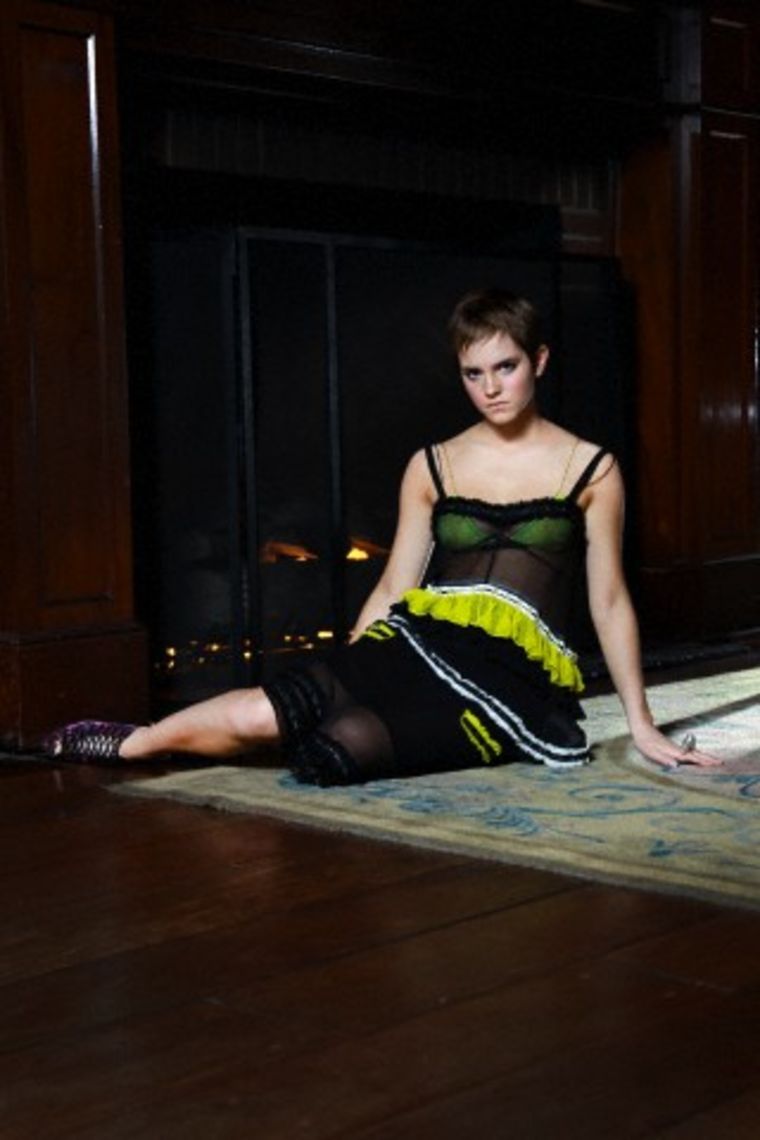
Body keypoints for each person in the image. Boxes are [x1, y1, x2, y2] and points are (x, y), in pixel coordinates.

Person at [46, 288, 721, 780]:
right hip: (418, 640)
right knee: (278, 711)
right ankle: (131, 743)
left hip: (508, 680)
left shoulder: (592, 467)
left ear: (538, 361)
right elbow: (395, 583)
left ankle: (305, 733)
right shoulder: (432, 464)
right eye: (474, 373)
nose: (491, 388)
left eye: (506, 367)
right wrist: (352, 668)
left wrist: (641, 724)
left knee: (335, 753)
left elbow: (609, 599)